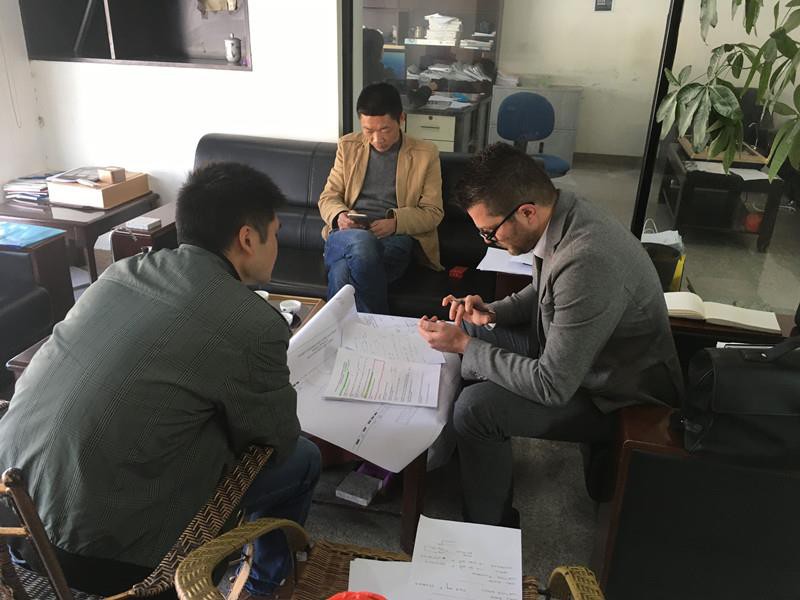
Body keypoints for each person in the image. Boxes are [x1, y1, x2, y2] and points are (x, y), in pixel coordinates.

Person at [0, 162, 320, 599]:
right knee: (303, 459)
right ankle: (263, 587)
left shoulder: (119, 274)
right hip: (109, 560)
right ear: (248, 238)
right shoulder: (253, 323)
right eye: (276, 233)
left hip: (13, 520)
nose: (277, 245)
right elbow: (276, 440)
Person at [417, 143, 683, 527]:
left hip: (616, 393)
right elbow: (543, 291)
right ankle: (469, 458)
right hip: (579, 358)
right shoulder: (562, 212)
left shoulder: (588, 259)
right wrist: (491, 312)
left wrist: (465, 345)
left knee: (475, 409)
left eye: (489, 233)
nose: (488, 242)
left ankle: (488, 526)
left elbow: (552, 385)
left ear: (527, 212)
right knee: (470, 328)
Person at [318, 82, 444, 313]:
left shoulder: (425, 154)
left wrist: (396, 223)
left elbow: (433, 212)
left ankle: (339, 332)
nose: (377, 139)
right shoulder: (348, 147)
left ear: (401, 119)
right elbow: (328, 197)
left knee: (342, 271)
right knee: (361, 243)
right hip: (347, 235)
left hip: (393, 239)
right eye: (368, 131)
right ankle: (376, 330)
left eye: (385, 129)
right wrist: (340, 216)